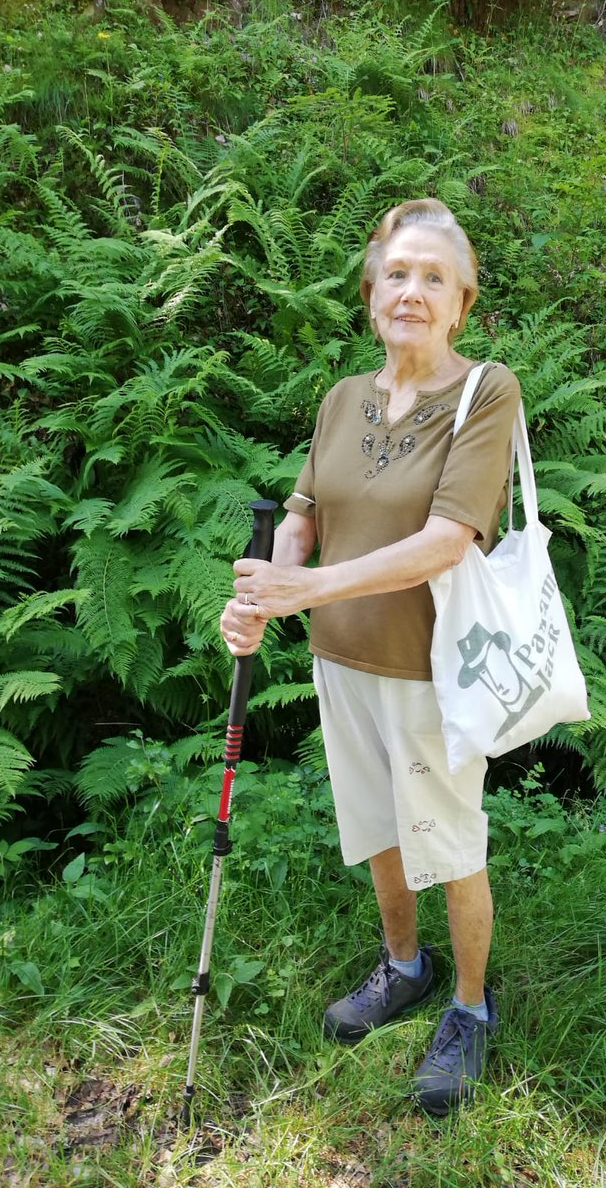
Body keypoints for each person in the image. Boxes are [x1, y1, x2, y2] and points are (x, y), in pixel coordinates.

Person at [219, 198, 521, 1115]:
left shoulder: (484, 392)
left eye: (435, 277)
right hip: (339, 661)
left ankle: (470, 1005)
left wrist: (303, 591)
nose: (412, 292)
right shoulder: (343, 398)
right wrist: (264, 593)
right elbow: (303, 517)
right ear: (370, 292)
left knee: (450, 843)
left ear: (461, 302)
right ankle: (404, 966)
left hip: (433, 671)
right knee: (379, 833)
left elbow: (448, 540)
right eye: (397, 274)